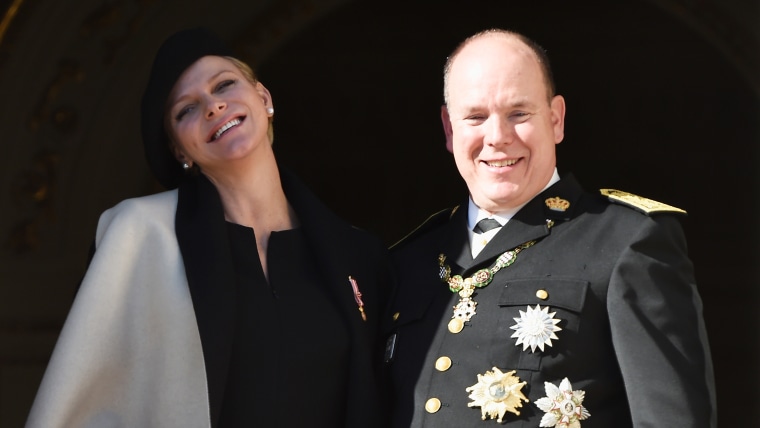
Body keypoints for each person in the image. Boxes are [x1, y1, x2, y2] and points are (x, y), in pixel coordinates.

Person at [26, 27, 392, 428]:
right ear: (179, 150)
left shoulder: (357, 253)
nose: (214, 106)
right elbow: (88, 404)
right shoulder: (140, 237)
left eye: (225, 85)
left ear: (263, 98)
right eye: (186, 109)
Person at [384, 28, 716, 427]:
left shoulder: (625, 243)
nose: (497, 137)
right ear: (450, 130)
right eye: (475, 117)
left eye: (518, 114)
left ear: (556, 119)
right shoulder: (411, 260)